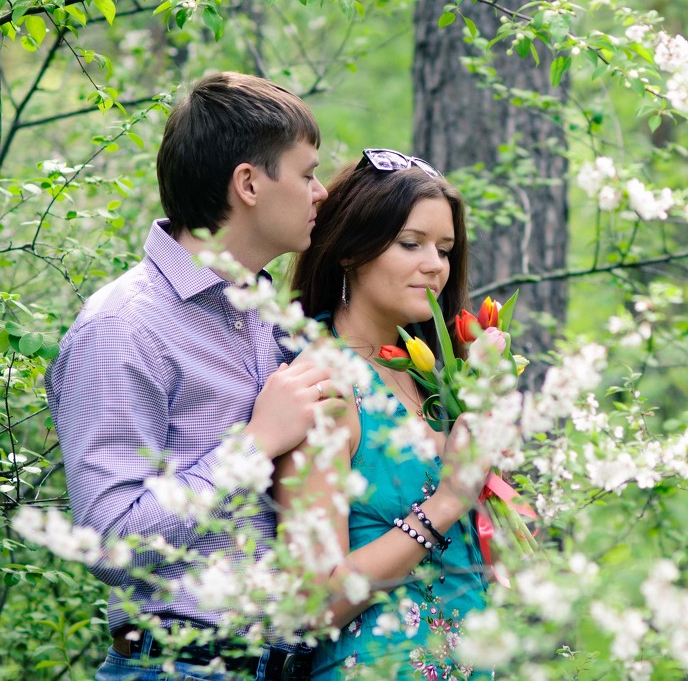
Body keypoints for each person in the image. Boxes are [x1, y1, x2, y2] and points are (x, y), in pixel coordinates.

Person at [45, 71, 335, 681]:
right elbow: (110, 544)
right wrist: (255, 445)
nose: (322, 192)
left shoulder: (266, 318)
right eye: (307, 174)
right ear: (249, 183)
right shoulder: (125, 326)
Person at [281, 149, 494, 679]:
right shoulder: (323, 386)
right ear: (352, 250)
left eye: (444, 250)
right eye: (411, 244)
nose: (435, 265)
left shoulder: (433, 381)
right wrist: (446, 503)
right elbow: (311, 608)